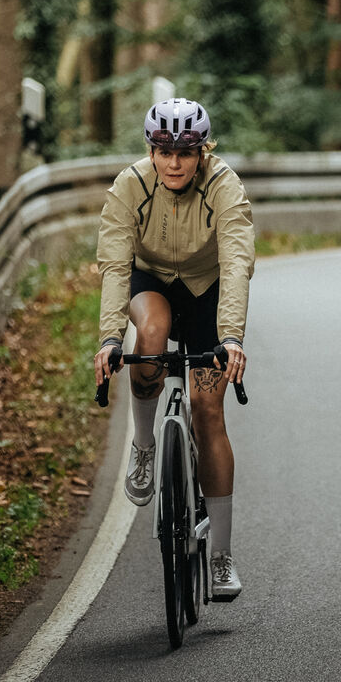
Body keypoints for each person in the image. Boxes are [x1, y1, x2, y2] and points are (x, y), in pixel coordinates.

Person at [92, 97, 255, 601]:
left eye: (185, 153)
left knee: (208, 412)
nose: (175, 163)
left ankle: (222, 555)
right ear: (151, 151)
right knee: (153, 332)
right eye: (165, 152)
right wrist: (110, 339)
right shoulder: (130, 186)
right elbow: (114, 265)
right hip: (151, 282)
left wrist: (231, 338)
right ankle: (144, 445)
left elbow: (237, 262)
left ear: (203, 151)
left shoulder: (224, 185)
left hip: (208, 289)